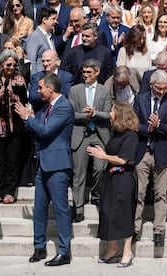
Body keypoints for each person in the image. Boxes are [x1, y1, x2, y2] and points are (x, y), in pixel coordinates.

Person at [15, 72, 74, 266]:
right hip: (43, 164)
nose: (38, 90)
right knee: (39, 209)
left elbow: (46, 131)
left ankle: (64, 251)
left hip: (58, 165)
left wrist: (28, 118)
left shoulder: (64, 106)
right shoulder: (47, 107)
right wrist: (30, 119)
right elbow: (37, 128)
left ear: (51, 88)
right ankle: (39, 247)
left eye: (40, 87)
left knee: (61, 209)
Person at [87, 101, 139, 268]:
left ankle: (127, 252)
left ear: (121, 114)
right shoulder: (116, 132)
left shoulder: (131, 135)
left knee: (123, 213)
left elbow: (124, 159)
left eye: (112, 110)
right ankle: (112, 248)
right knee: (107, 211)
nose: (109, 113)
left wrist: (102, 156)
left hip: (124, 179)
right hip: (111, 177)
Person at [133, 70, 167, 246]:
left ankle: (159, 230)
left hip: (163, 152)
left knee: (161, 194)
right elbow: (134, 123)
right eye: (158, 88)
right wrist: (148, 129)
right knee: (139, 192)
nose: (161, 92)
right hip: (143, 151)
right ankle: (135, 228)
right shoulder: (141, 98)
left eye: (165, 88)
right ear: (151, 85)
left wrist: (159, 125)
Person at [68, 58, 111, 222]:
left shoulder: (104, 91)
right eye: (84, 72)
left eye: (89, 72)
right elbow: (70, 113)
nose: (85, 75)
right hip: (81, 133)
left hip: (99, 134)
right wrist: (85, 116)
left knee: (100, 168)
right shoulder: (75, 90)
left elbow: (108, 113)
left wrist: (95, 113)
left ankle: (96, 194)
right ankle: (78, 207)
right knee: (78, 173)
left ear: (97, 72)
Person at [0, 50, 28, 204]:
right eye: (8, 64)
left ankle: (9, 191)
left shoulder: (19, 79)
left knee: (12, 160)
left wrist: (13, 96)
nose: (11, 68)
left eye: (13, 65)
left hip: (15, 126)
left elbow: (23, 100)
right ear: (1, 64)